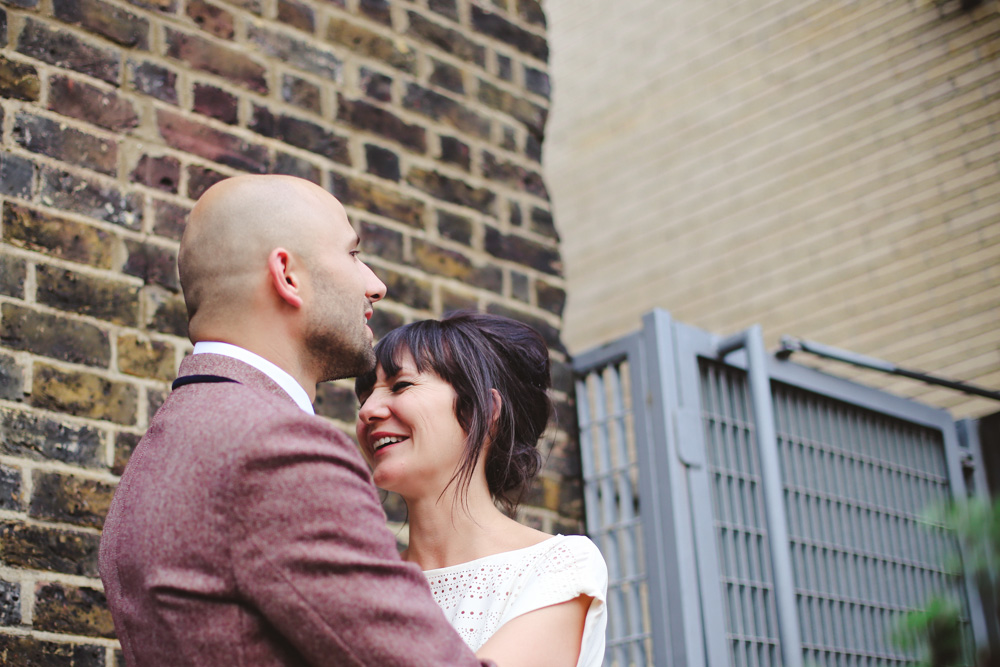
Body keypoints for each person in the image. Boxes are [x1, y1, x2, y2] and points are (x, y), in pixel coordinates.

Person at [99, 175, 496, 667]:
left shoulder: (165, 446)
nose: (376, 284)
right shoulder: (274, 449)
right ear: (287, 275)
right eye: (353, 255)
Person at [354, 312, 608, 667]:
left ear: (483, 410)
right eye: (363, 397)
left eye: (401, 386)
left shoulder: (556, 568)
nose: (367, 411)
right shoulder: (362, 589)